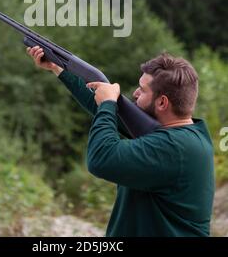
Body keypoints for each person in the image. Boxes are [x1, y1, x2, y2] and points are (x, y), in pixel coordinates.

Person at [27, 47, 215, 237]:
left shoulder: (174, 147)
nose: (134, 93)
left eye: (142, 90)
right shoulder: (186, 134)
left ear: (162, 103)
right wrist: (58, 68)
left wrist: (108, 103)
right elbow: (107, 108)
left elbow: (101, 158)